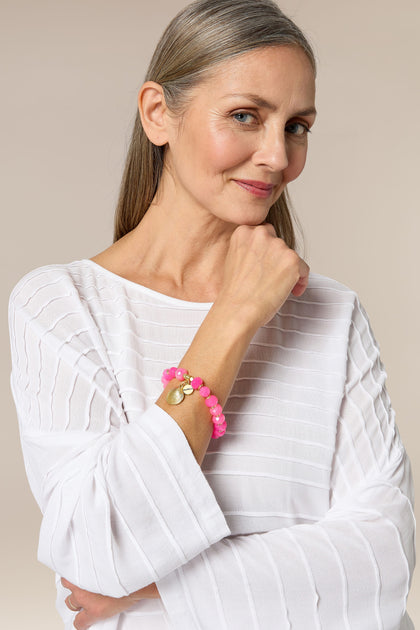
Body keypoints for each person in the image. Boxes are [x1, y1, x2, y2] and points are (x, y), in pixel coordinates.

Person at [8, 0, 415, 628]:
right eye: (245, 116)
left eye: (297, 126)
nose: (278, 157)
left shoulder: (332, 314)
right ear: (157, 113)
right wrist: (235, 316)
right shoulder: (63, 306)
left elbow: (383, 561)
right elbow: (98, 547)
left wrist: (157, 588)